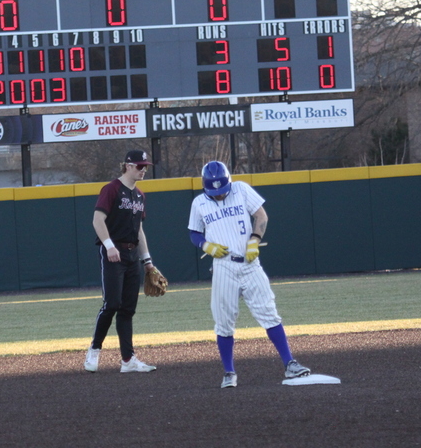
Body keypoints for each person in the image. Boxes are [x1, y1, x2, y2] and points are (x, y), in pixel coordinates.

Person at [188, 161, 310, 388]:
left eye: (222, 189)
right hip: (223, 266)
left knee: (269, 312)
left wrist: (255, 239)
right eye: (214, 191)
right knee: (224, 321)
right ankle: (229, 372)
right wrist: (206, 245)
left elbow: (261, 216)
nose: (219, 194)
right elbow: (194, 233)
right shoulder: (199, 203)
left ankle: (290, 363)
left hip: (250, 263)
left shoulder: (241, 189)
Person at [84, 150, 159, 373]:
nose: (144, 170)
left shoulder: (140, 195)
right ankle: (94, 349)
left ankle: (128, 360)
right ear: (128, 165)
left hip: (132, 254)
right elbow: (97, 220)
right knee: (112, 304)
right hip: (113, 252)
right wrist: (109, 246)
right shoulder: (111, 189)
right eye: (140, 166)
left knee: (127, 308)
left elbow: (139, 230)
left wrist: (147, 261)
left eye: (145, 166)